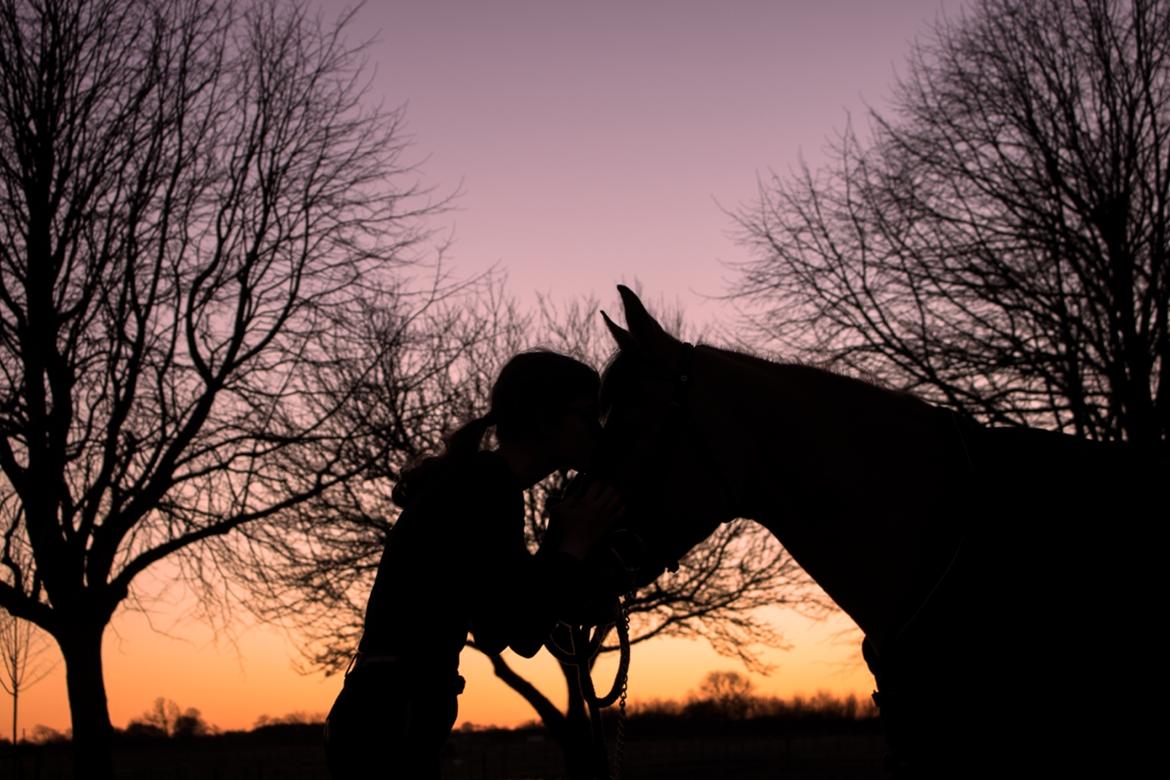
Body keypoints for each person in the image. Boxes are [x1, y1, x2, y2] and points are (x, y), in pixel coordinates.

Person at [324, 350, 623, 779]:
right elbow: (515, 630)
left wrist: (565, 553)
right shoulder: (487, 489)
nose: (597, 432)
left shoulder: (482, 483)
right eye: (587, 417)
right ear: (544, 417)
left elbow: (506, 612)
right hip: (394, 718)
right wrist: (571, 548)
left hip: (384, 712)